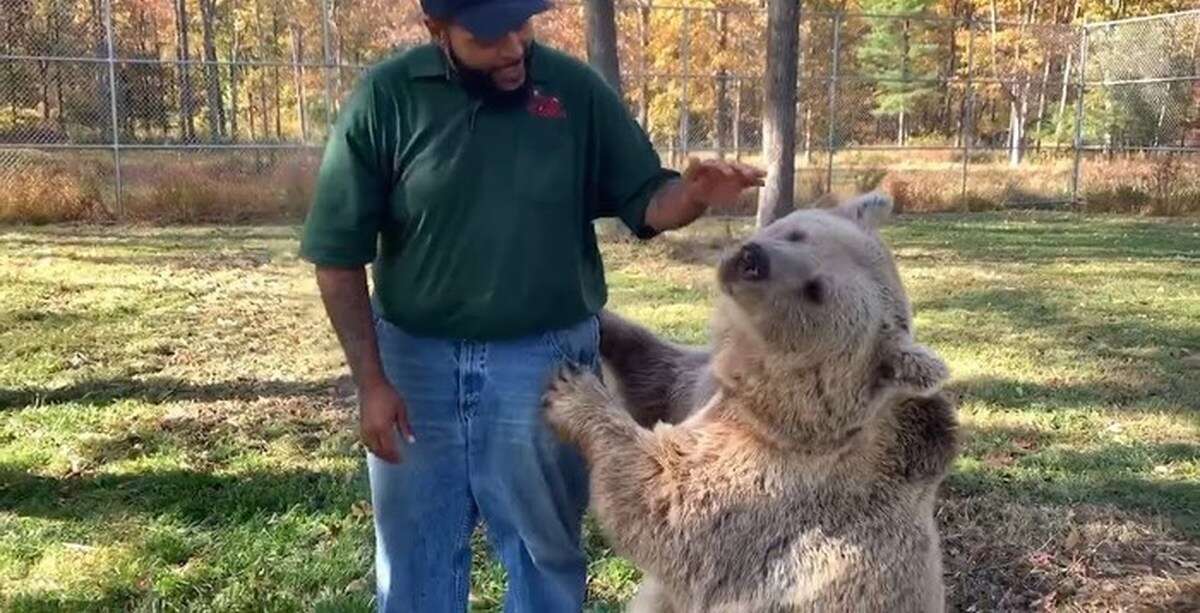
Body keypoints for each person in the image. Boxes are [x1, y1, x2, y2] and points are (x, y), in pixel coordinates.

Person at [298, 0, 764, 610]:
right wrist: (372, 382)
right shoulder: (387, 99)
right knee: (416, 552)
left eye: (522, 23)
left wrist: (693, 196)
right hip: (415, 364)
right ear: (438, 30)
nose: (514, 46)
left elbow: (647, 199)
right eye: (488, 33)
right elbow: (337, 258)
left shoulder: (572, 90)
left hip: (542, 360)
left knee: (544, 549)